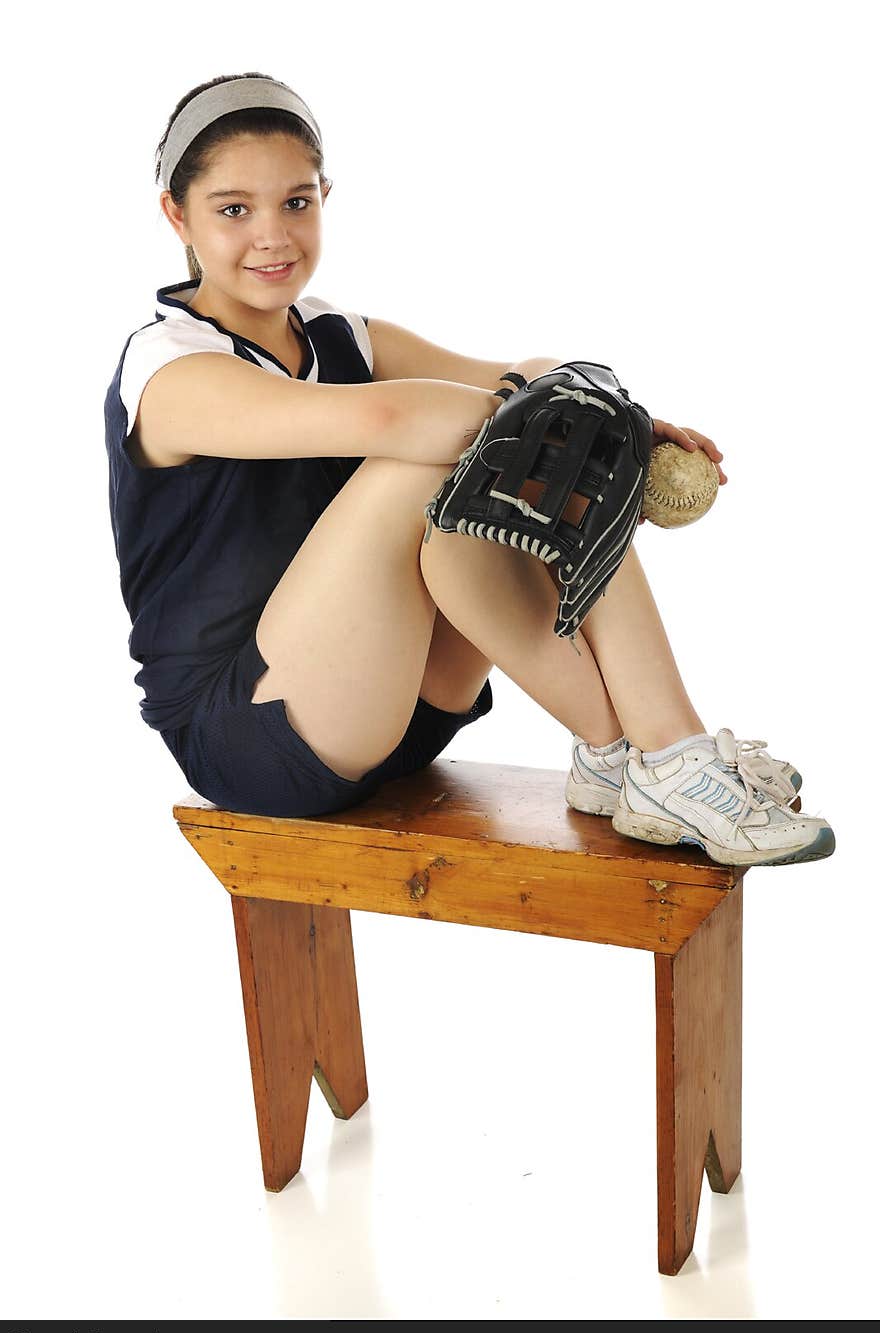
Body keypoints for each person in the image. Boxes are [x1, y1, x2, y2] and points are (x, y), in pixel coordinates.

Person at [104, 70, 834, 868]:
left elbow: (523, 373)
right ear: (177, 213)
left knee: (514, 453)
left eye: (298, 202)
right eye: (234, 209)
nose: (273, 235)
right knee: (425, 468)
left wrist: (615, 421)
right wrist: (568, 422)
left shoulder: (338, 335)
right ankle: (668, 756)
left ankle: (633, 755)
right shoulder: (168, 371)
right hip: (256, 733)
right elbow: (393, 419)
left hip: (404, 708)